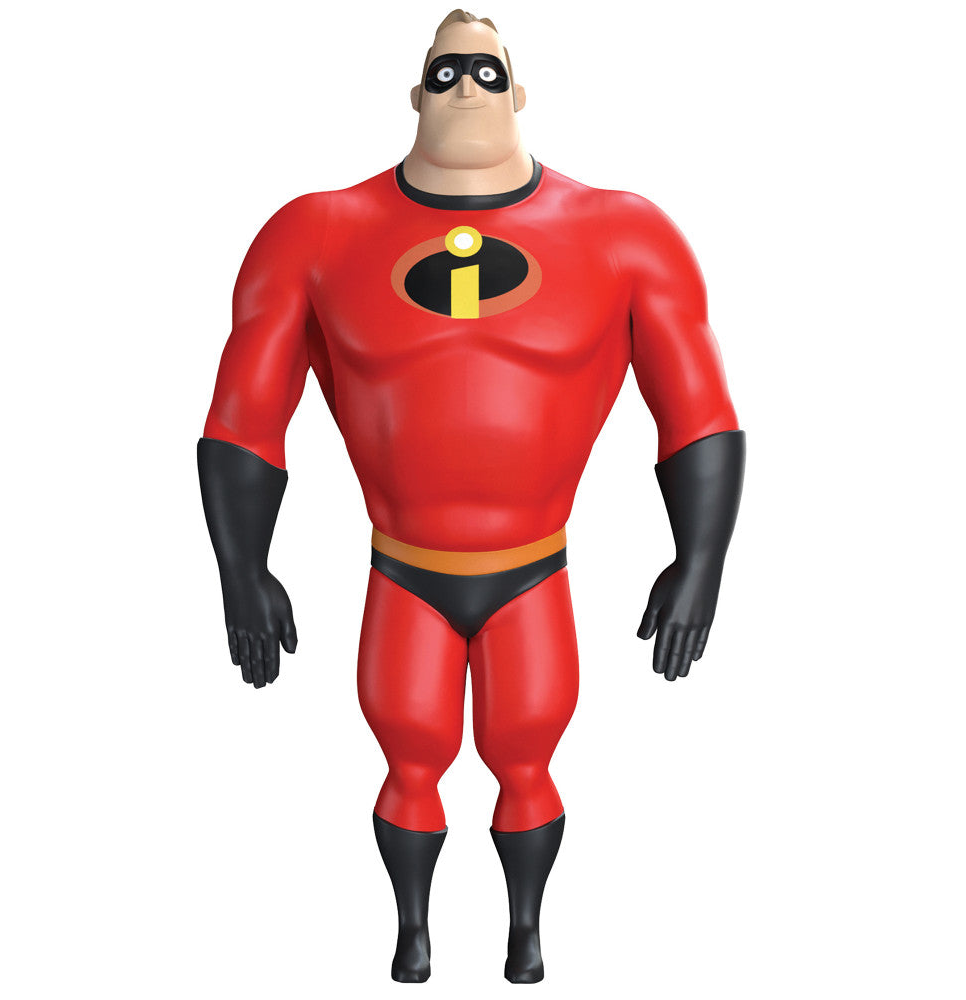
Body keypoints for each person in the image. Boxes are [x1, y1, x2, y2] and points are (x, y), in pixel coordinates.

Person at [198, 9, 744, 984]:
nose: (464, 88)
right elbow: (245, 412)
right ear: (416, 91)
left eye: (486, 73)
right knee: (409, 755)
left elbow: (696, 407)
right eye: (446, 71)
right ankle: (411, 933)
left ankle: (525, 934)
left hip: (532, 565)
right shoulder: (315, 233)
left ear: (519, 92)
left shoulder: (625, 234)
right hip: (402, 565)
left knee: (526, 753)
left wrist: (699, 560)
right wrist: (242, 568)